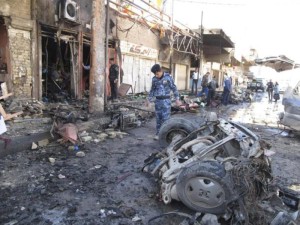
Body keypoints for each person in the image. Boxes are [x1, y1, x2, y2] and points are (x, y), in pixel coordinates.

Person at [146, 64, 181, 140]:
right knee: (158, 119)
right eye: (155, 74)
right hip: (158, 101)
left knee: (166, 119)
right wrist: (148, 99)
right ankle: (158, 134)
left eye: (157, 73)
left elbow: (174, 88)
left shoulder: (168, 77)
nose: (156, 75)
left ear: (160, 71)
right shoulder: (154, 79)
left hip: (166, 102)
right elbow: (152, 90)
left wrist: (177, 99)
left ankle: (166, 135)